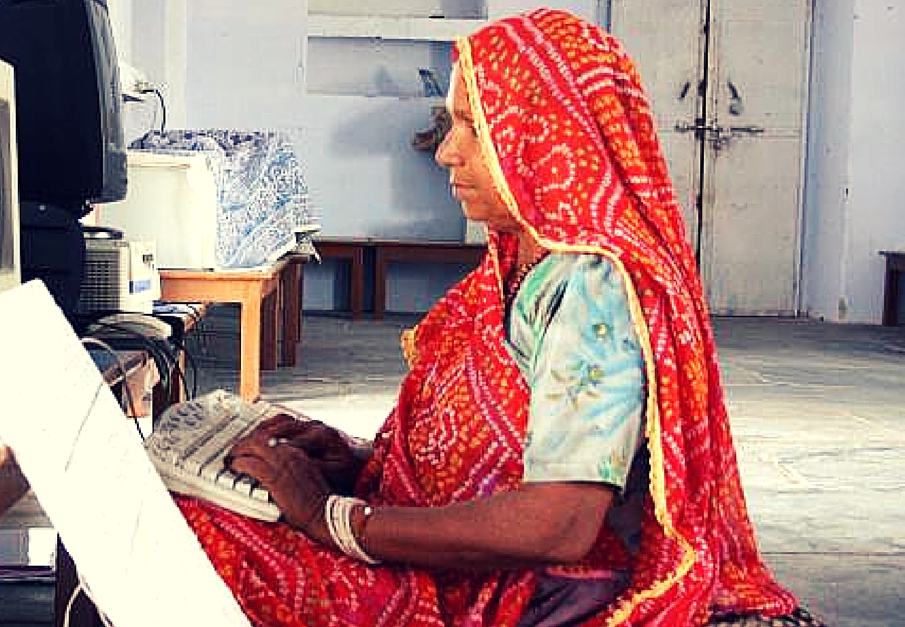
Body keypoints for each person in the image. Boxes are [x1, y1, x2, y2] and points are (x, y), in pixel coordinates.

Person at [174, 8, 818, 627]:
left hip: (527, 591)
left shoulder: (591, 290)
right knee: (190, 516)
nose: (448, 152)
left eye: (474, 127)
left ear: (545, 133)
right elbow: (498, 458)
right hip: (491, 567)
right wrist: (355, 460)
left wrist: (335, 518)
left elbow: (559, 523)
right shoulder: (517, 268)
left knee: (186, 534)